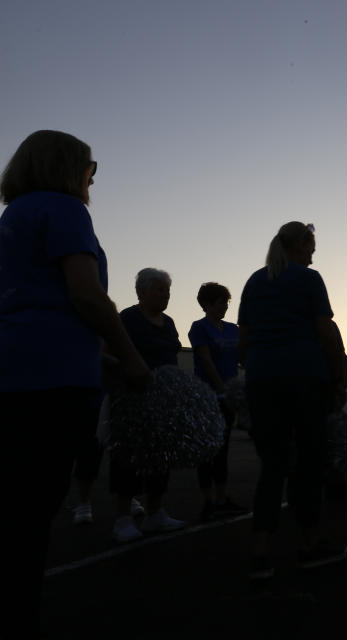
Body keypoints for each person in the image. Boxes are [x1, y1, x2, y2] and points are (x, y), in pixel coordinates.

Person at [0, 130, 151, 621]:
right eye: (91, 167)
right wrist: (129, 357)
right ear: (68, 167)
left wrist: (100, 358)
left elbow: (35, 303)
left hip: (16, 371)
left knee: (18, 502)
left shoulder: (14, 216)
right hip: (53, 379)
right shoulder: (64, 210)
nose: (94, 177)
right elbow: (85, 296)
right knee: (33, 510)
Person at [238, 221, 347, 580]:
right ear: (299, 245)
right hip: (304, 379)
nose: (313, 255)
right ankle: (309, 544)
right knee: (308, 463)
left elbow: (244, 340)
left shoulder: (254, 282)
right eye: (311, 248)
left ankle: (259, 552)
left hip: (261, 380)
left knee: (273, 465)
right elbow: (325, 332)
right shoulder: (308, 279)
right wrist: (338, 376)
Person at [112, 268, 187, 542]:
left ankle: (155, 513)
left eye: (168, 291)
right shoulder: (128, 319)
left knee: (160, 458)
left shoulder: (168, 322)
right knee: (128, 459)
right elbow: (109, 353)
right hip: (132, 400)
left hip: (162, 402)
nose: (166, 296)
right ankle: (122, 519)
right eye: (160, 290)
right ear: (142, 292)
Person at [188, 282, 247, 520]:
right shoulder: (199, 328)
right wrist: (221, 387)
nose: (225, 306)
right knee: (207, 449)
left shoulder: (233, 329)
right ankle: (208, 501)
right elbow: (205, 360)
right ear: (207, 304)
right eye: (221, 302)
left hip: (228, 396)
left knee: (222, 448)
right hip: (207, 396)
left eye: (227, 302)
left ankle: (222, 498)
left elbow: (243, 356)